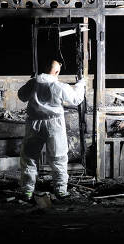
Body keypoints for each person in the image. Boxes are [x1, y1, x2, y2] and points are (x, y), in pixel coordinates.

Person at [17, 59, 85, 201]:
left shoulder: (33, 83)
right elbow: (76, 99)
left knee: (29, 158)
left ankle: (27, 191)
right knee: (58, 157)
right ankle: (60, 190)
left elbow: (21, 96)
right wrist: (80, 84)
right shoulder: (60, 86)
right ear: (56, 72)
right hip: (55, 124)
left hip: (34, 123)